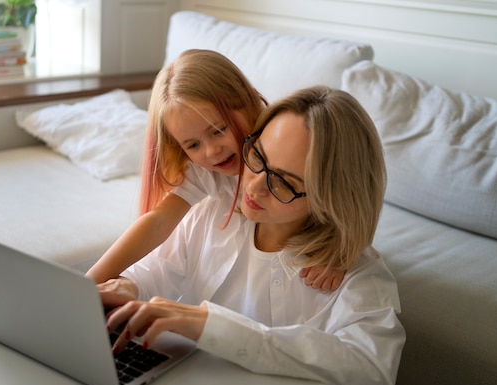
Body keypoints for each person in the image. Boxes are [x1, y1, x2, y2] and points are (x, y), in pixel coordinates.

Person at [98, 86, 405, 385]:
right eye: (258, 156)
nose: (254, 186)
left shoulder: (359, 277)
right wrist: (129, 285)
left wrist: (213, 325)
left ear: (332, 197)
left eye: (284, 183)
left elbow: (373, 376)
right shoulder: (212, 214)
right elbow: (158, 268)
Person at [87, 49, 345, 290]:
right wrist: (89, 283)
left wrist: (340, 250)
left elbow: (346, 192)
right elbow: (158, 221)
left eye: (218, 130)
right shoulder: (204, 170)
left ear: (248, 100)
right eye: (193, 144)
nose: (212, 152)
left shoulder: (282, 141)